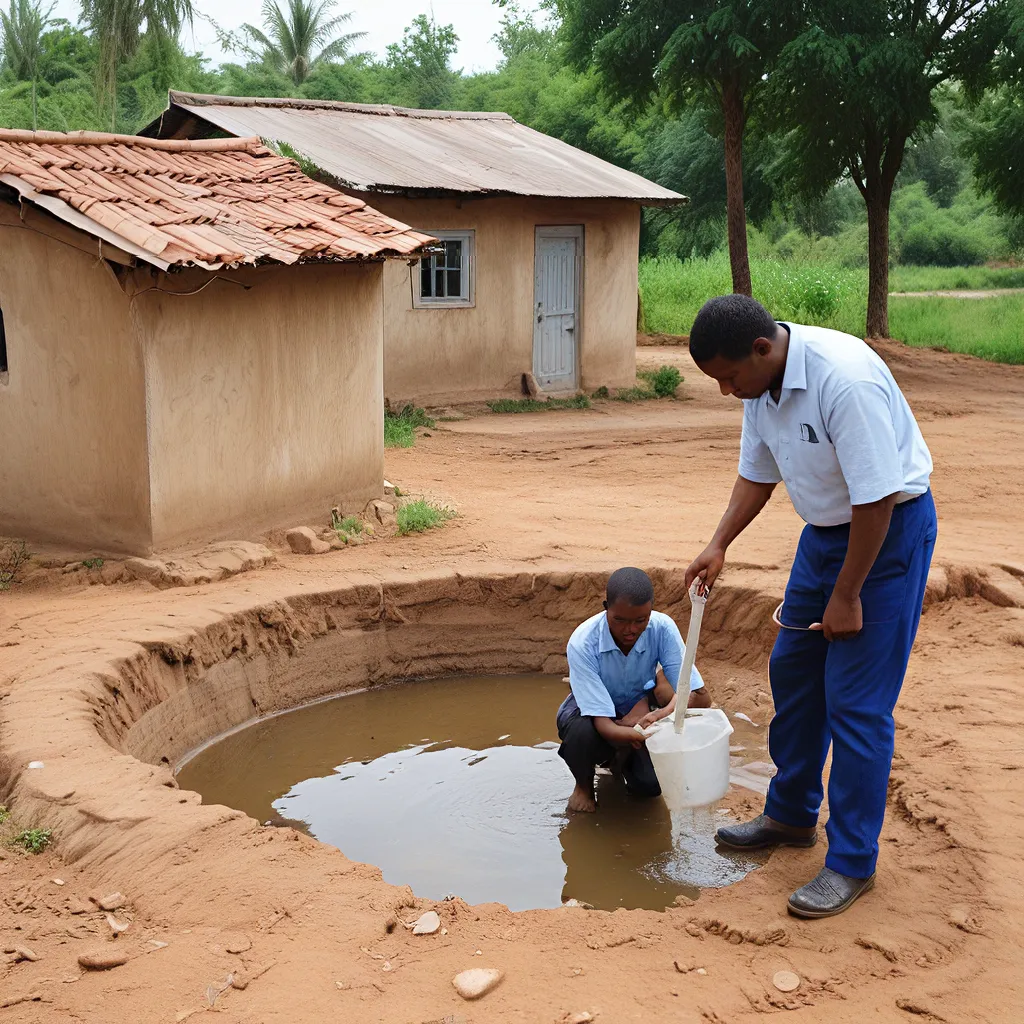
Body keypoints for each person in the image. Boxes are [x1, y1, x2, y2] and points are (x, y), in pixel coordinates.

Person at [684, 294, 937, 919]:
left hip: (887, 536)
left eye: (728, 376)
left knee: (856, 704)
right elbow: (758, 472)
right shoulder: (760, 387)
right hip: (823, 537)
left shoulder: (842, 380)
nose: (724, 391)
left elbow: (877, 498)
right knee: (795, 674)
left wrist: (849, 594)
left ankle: (851, 863)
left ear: (762, 350)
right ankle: (792, 816)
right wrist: (719, 544)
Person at [557, 567, 710, 813]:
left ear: (651, 610)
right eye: (620, 620)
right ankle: (583, 787)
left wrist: (660, 715)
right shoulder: (583, 641)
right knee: (581, 734)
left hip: (638, 709)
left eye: (641, 620)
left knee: (649, 787)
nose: (630, 630)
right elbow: (602, 723)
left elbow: (700, 697)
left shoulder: (662, 628)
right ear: (606, 607)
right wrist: (634, 735)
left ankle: (621, 760)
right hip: (593, 713)